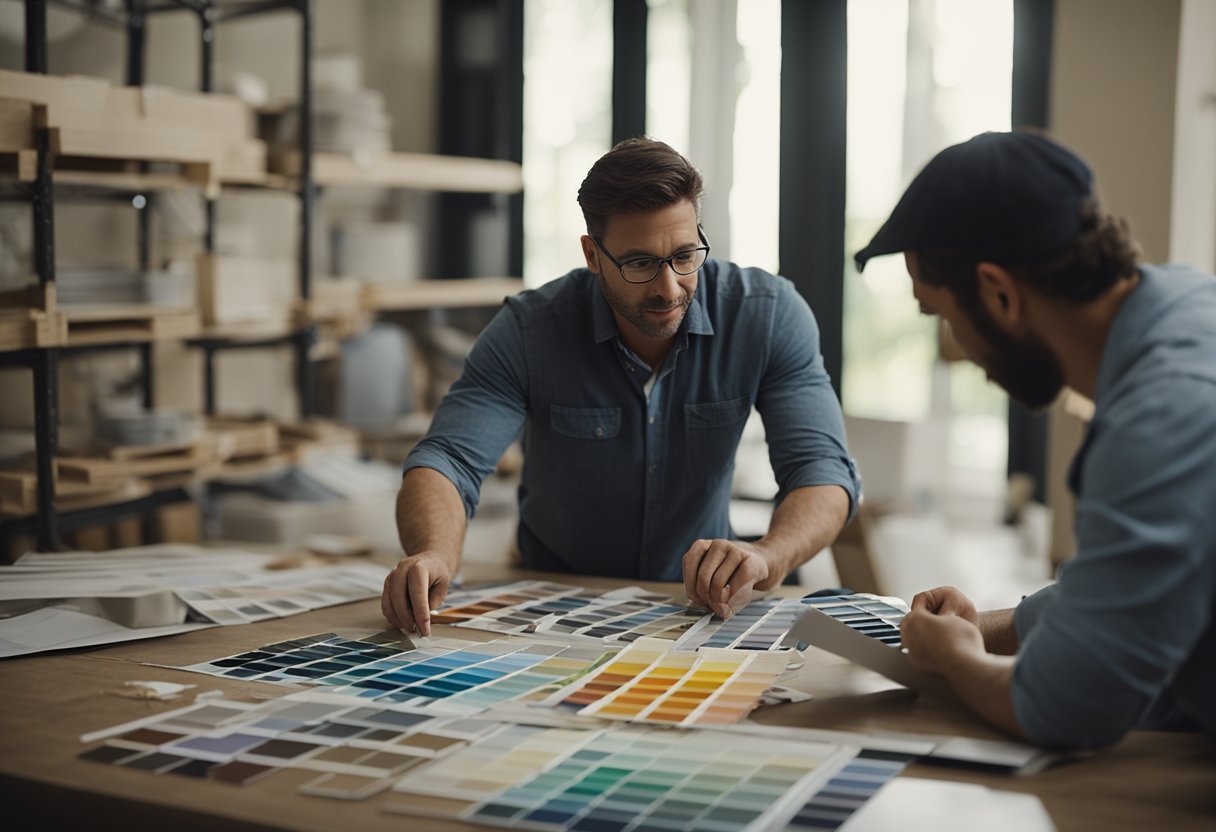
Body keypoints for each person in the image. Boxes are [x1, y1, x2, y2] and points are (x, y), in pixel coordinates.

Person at [382, 137, 859, 636]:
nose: (669, 288)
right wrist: (434, 553)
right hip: (557, 607)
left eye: (683, 255)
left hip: (701, 609)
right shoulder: (529, 330)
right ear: (593, 255)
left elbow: (823, 470)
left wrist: (768, 555)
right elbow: (447, 462)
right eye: (639, 263)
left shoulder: (767, 314)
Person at [854, 130, 1216, 750]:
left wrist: (958, 660)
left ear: (998, 291)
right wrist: (985, 630)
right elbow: (1124, 585)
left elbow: (1063, 711)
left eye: (942, 315)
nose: (959, 352)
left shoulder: (1160, 416)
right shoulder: (1188, 304)